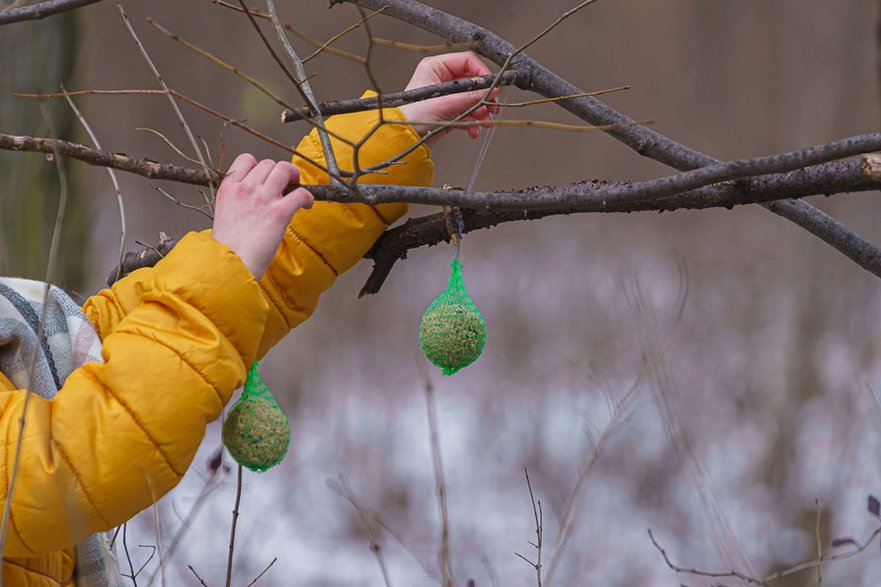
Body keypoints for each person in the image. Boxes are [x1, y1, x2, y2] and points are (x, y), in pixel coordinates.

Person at [0, 52, 498, 587]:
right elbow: (67, 466)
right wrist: (225, 264)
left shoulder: (28, 333)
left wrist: (397, 126)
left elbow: (198, 306)